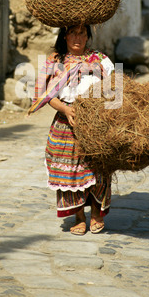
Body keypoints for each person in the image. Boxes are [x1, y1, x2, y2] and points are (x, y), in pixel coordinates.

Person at [28, 25, 114, 235]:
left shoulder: (100, 60)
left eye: (82, 33)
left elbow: (116, 90)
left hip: (96, 122)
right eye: (73, 33)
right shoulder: (54, 61)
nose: (78, 38)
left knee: (99, 167)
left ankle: (95, 214)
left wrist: (102, 111)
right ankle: (78, 217)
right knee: (71, 171)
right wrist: (66, 109)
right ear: (65, 35)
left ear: (88, 36)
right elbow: (45, 96)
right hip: (66, 123)